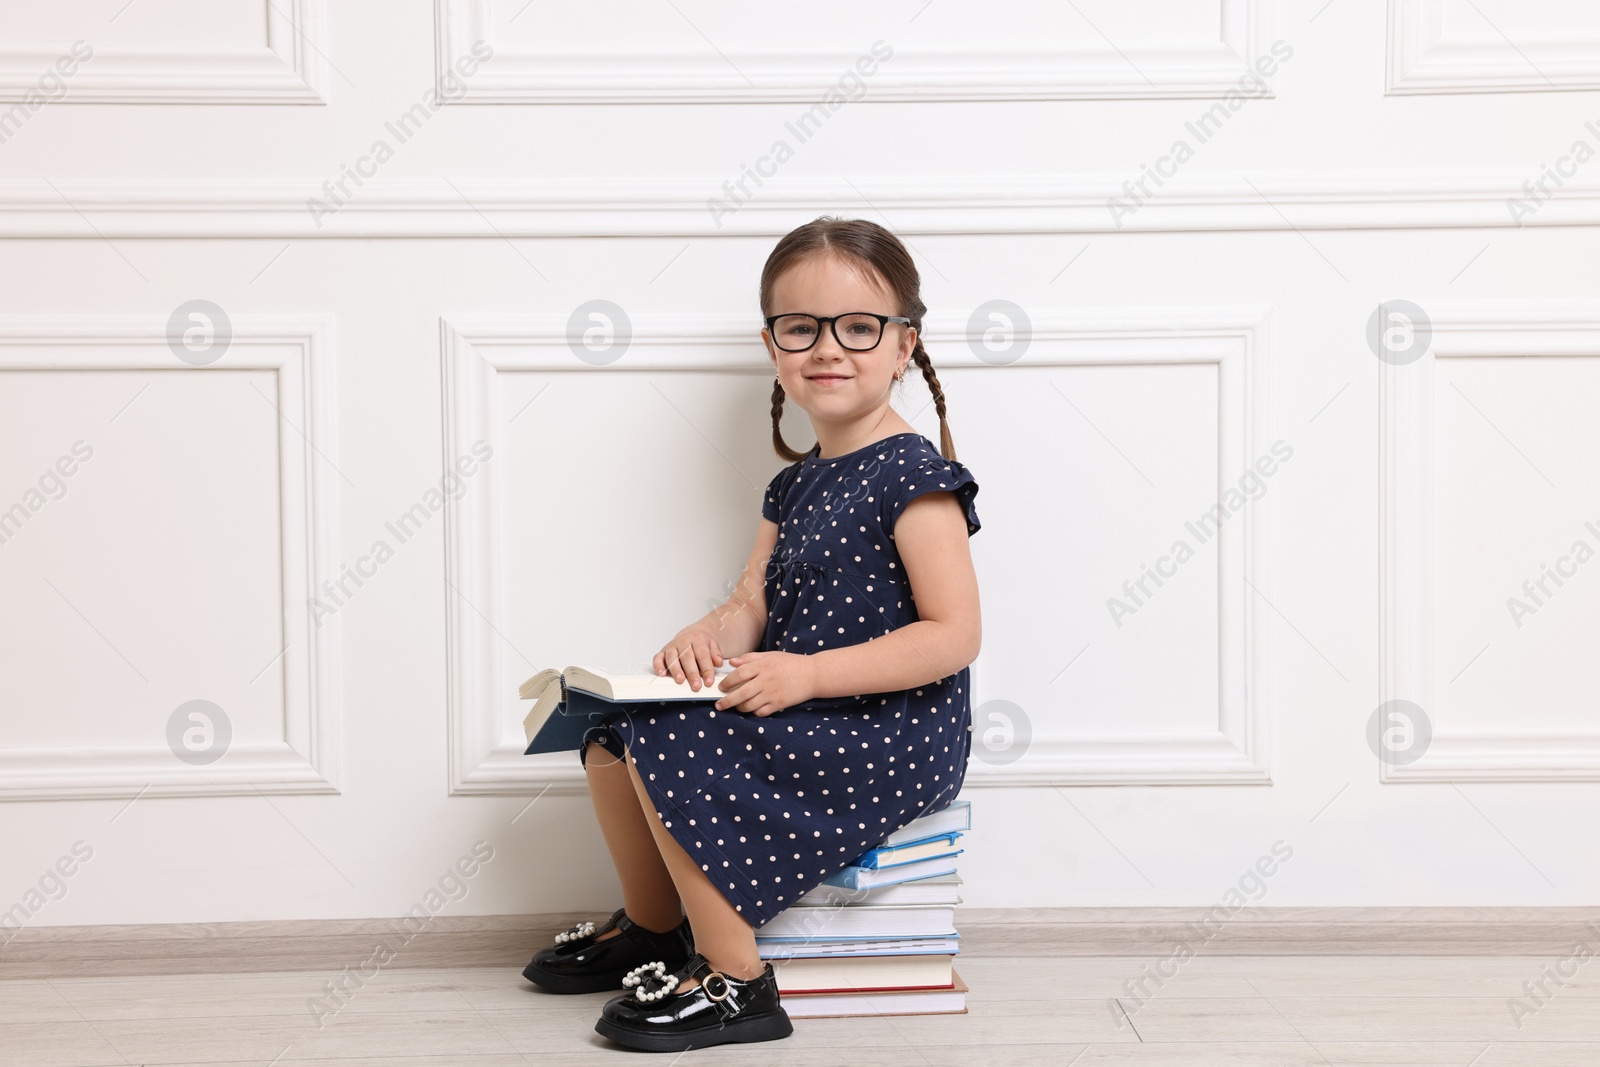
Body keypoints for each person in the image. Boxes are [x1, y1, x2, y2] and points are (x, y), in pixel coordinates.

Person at [524, 216, 983, 1053]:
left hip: (892, 724)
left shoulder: (917, 478)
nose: (827, 348)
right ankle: (656, 928)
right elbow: (751, 603)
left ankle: (737, 982)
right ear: (773, 344)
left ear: (904, 344)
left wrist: (807, 677)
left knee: (674, 746)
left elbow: (954, 636)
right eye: (800, 327)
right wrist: (710, 631)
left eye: (859, 327)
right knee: (609, 733)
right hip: (813, 705)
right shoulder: (794, 484)